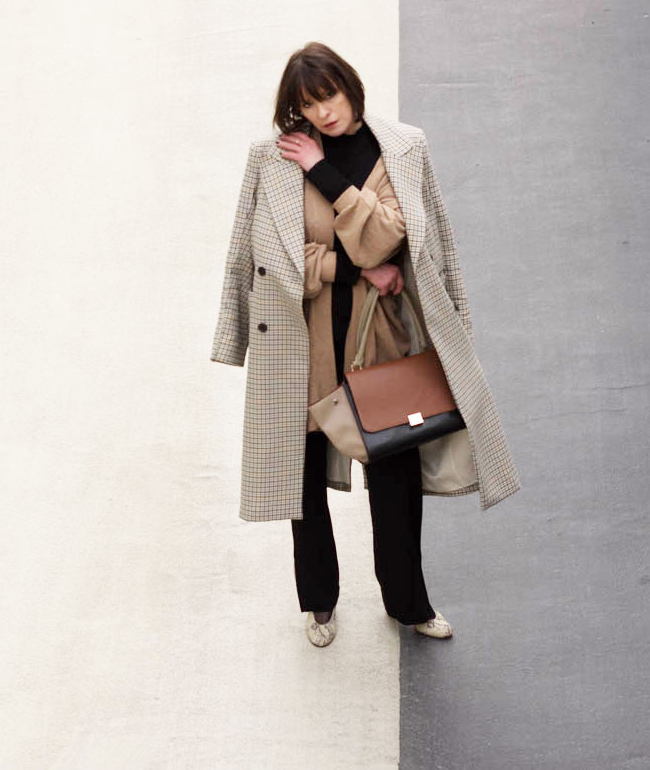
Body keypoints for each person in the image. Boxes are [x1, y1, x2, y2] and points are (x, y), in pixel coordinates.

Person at [212, 39, 528, 650]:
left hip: (379, 339)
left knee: (395, 477)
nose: (323, 113)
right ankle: (319, 602)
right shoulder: (271, 159)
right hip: (301, 343)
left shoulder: (401, 149)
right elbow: (269, 259)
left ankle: (408, 604)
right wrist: (354, 269)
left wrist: (322, 172)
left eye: (328, 95)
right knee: (302, 482)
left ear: (350, 86)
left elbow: (390, 237)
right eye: (308, 105)